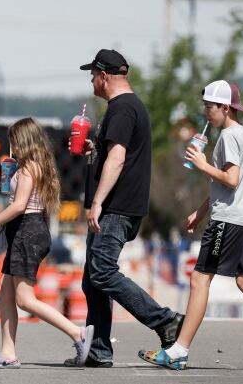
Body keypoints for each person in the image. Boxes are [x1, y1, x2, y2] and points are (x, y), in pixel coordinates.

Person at [138, 80, 243, 371]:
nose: (205, 113)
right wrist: (200, 212)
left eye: (209, 107)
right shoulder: (239, 133)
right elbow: (224, 184)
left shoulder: (229, 136)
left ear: (225, 107)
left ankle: (178, 351)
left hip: (228, 220)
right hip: (242, 218)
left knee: (200, 279)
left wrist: (201, 164)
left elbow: (231, 179)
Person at [64, 49, 183, 368]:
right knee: (92, 279)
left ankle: (165, 321)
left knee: (102, 271)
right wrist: (95, 147)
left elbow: (118, 160)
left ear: (104, 76)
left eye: (92, 74)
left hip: (116, 207)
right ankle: (99, 350)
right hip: (118, 206)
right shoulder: (128, 108)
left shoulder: (122, 109)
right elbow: (115, 153)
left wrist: (98, 202)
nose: (91, 79)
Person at [0, 117, 94, 369]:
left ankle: (77, 333)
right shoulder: (30, 166)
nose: (12, 147)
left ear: (23, 141)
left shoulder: (29, 168)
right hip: (23, 231)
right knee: (4, 293)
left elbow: (20, 206)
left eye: (14, 142)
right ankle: (8, 354)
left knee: (24, 300)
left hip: (27, 232)